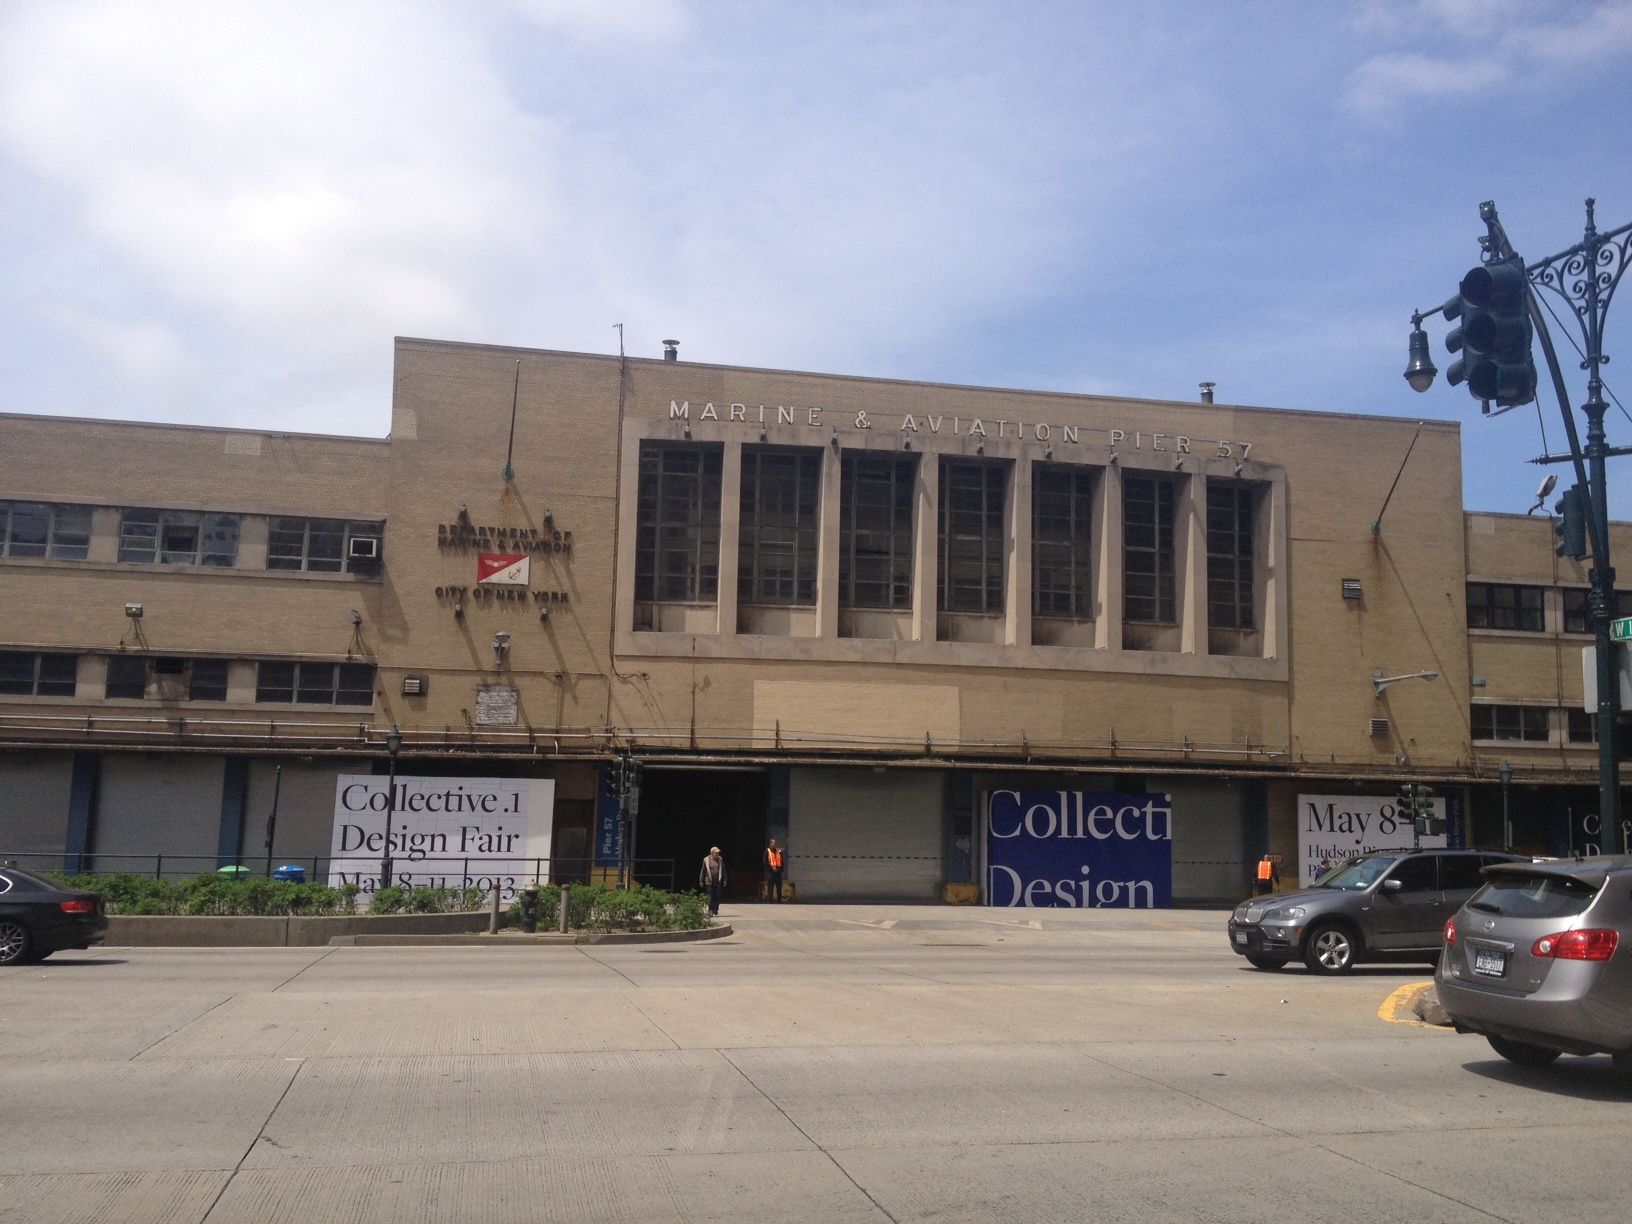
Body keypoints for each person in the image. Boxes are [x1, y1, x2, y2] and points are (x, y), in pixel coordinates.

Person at [699, 846, 727, 915]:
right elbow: (703, 871)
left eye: (718, 853)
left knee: (718, 895)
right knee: (710, 896)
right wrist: (701, 880)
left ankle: (715, 908)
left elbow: (723, 870)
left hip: (718, 881)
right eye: (716, 853)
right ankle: (710, 910)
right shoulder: (706, 860)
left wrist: (725, 880)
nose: (718, 854)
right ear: (712, 853)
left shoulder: (720, 859)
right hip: (709, 881)